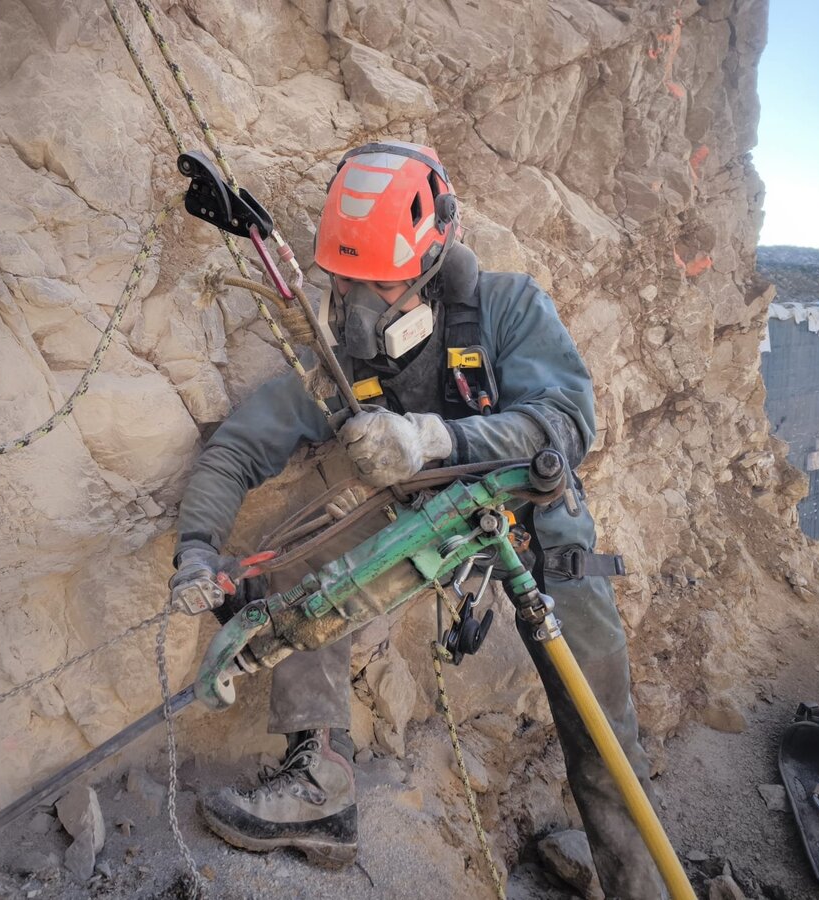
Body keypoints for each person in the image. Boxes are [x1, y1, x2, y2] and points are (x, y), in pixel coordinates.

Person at [168, 141, 663, 897]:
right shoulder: (345, 357)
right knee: (299, 577)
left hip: (537, 532)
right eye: (347, 283)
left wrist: (432, 439)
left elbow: (564, 424)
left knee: (603, 740)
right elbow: (238, 448)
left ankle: (640, 883)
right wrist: (199, 550)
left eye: (381, 284)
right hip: (421, 523)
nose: (360, 306)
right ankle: (321, 784)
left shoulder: (506, 307)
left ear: (434, 263)